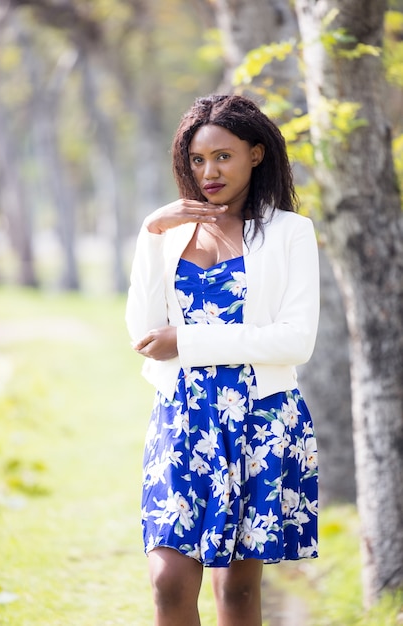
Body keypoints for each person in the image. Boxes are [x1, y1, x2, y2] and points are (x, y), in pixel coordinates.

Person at [125, 93, 319, 626]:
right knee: (168, 580)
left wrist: (187, 341)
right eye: (197, 159)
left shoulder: (290, 233)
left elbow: (295, 340)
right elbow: (142, 332)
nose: (208, 171)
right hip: (183, 417)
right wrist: (151, 232)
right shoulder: (168, 236)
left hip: (260, 418)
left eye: (223, 156)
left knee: (237, 591)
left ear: (256, 154)